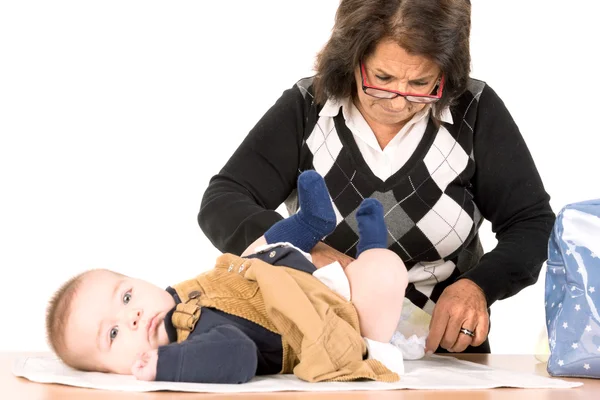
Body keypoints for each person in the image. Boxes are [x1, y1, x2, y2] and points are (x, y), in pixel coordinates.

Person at [198, 0, 556, 354]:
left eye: (421, 83)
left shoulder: (474, 112)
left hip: (442, 353)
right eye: (382, 79)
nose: (398, 102)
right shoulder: (308, 108)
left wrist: (478, 287)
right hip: (318, 346)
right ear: (352, 59)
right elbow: (223, 201)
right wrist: (304, 247)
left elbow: (531, 224)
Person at [45, 171, 407, 384]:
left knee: (245, 257)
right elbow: (238, 356)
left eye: (125, 297)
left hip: (271, 272)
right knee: (384, 275)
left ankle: (308, 224)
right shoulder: (193, 345)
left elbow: (238, 271)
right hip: (334, 313)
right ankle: (374, 246)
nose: (133, 315)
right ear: (112, 371)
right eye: (113, 333)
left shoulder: (181, 296)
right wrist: (165, 366)